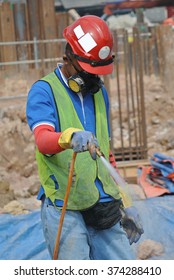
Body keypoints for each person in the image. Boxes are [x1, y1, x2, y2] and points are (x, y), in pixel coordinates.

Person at [26, 15, 144, 260]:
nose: (94, 79)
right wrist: (69, 137)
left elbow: (106, 153)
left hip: (103, 203)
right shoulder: (44, 91)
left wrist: (124, 201)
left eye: (98, 72)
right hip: (65, 205)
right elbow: (43, 140)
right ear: (68, 57)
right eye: (89, 71)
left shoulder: (99, 94)